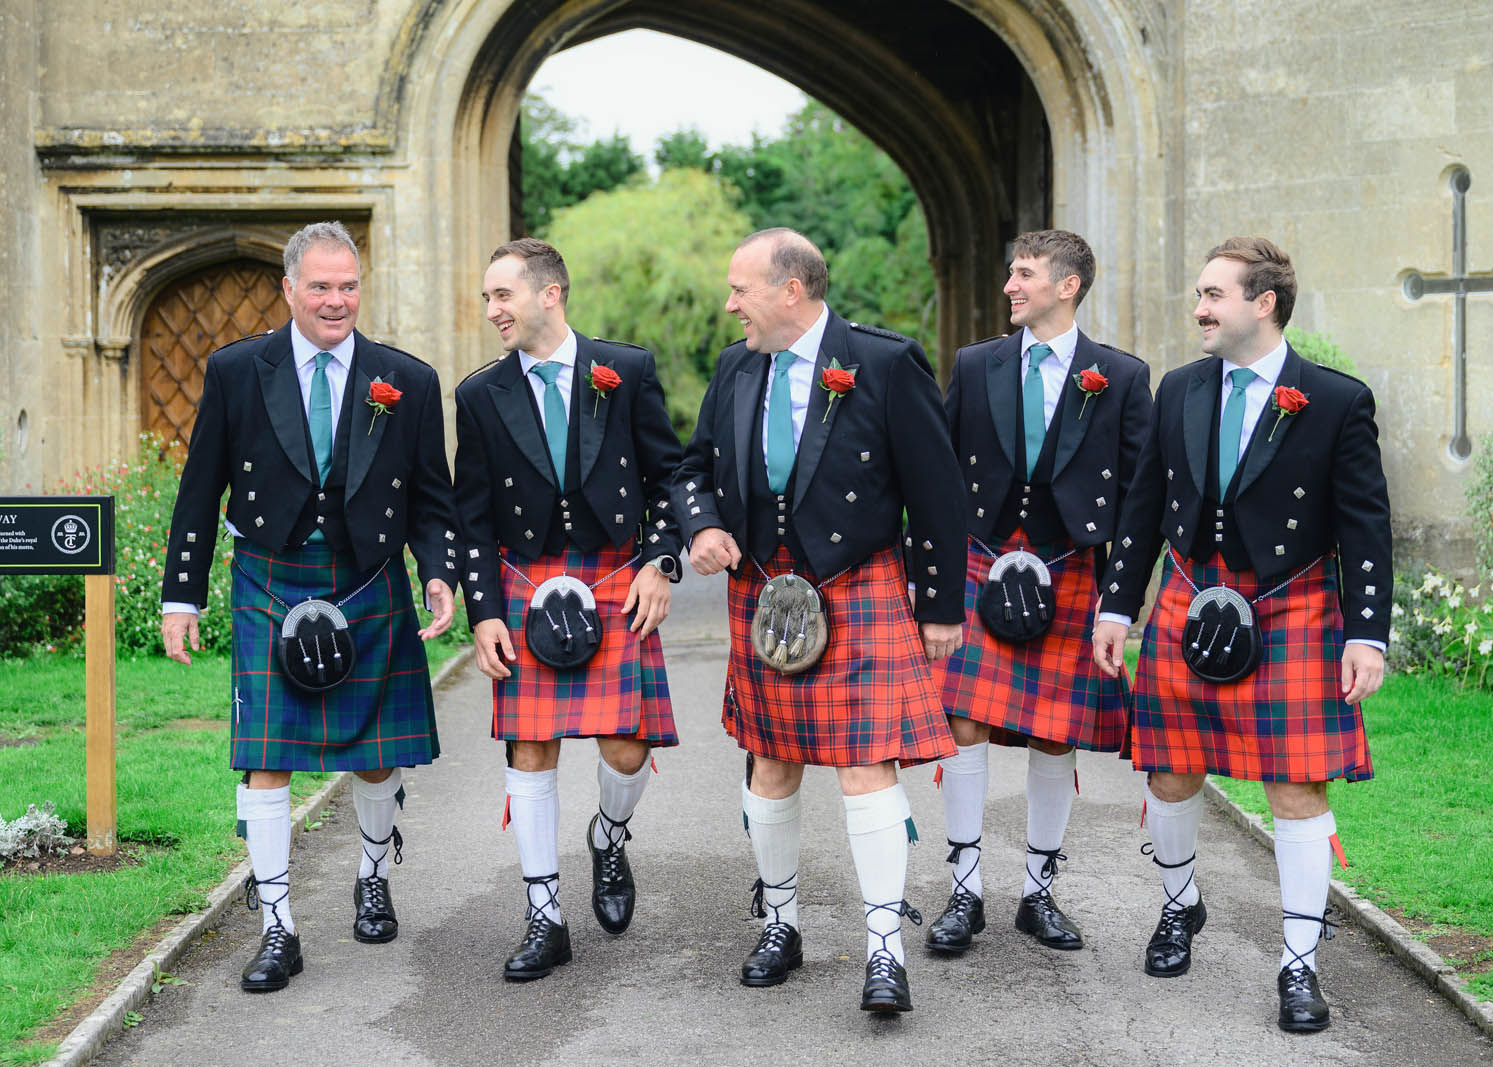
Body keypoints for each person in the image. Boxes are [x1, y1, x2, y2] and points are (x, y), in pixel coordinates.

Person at [1091, 237, 1391, 1032]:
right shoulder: (1182, 388)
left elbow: (1366, 527)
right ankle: (1181, 903)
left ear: (1263, 302)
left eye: (1215, 294)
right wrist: (1117, 605)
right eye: (1199, 292)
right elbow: (1145, 505)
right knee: (1170, 772)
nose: (1200, 307)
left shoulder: (1332, 399)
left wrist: (1368, 633)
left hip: (1291, 608)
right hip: (1190, 597)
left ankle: (1299, 964)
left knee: (1296, 785)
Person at [159, 221, 457, 993]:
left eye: (348, 285)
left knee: (375, 751)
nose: (336, 300)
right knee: (265, 755)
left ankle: (370, 872)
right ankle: (278, 927)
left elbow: (431, 494)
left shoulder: (406, 379)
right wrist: (180, 596)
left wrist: (438, 573)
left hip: (368, 574)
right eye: (320, 286)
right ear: (287, 288)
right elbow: (200, 491)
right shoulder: (237, 370)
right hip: (271, 572)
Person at [676, 228, 966, 1013]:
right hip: (763, 590)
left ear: (791, 290)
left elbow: (937, 492)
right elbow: (692, 466)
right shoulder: (739, 367)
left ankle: (884, 948)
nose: (730, 303)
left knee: (867, 763)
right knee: (771, 762)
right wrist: (700, 525)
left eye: (741, 289)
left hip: (855, 582)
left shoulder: (880, 362)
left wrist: (940, 605)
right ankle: (781, 922)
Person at [453, 238, 684, 982]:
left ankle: (609, 836)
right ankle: (544, 914)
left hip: (614, 572)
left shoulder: (626, 371)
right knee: (531, 749)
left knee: (625, 748)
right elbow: (473, 516)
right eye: (488, 297)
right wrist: (484, 611)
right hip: (526, 578)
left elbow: (669, 478)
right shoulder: (480, 394)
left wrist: (662, 559)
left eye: (502, 296)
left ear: (550, 293)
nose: (492, 310)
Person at [928, 230, 1151, 955]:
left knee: (1058, 733)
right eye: (1009, 272)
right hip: (980, 561)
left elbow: (1141, 499)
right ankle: (964, 891)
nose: (1009, 288)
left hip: (1068, 569)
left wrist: (1118, 600)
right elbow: (937, 476)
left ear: (1068, 285)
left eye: (1023, 274)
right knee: (963, 720)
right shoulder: (976, 363)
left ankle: (1037, 891)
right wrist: (926, 577)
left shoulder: (1118, 376)